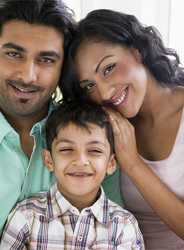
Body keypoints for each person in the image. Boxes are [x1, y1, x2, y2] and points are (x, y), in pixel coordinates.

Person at [0, 2, 124, 249]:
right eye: (14, 54)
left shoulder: (94, 139)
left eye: (46, 59)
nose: (28, 76)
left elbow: (111, 229)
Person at [59, 9, 184, 250]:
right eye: (89, 86)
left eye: (108, 68)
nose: (104, 93)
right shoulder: (102, 125)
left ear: (138, 49)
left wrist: (134, 165)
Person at [0, 100, 144, 250]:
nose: (80, 161)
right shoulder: (25, 217)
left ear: (111, 163)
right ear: (49, 160)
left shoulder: (124, 226)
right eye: (67, 149)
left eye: (95, 150)